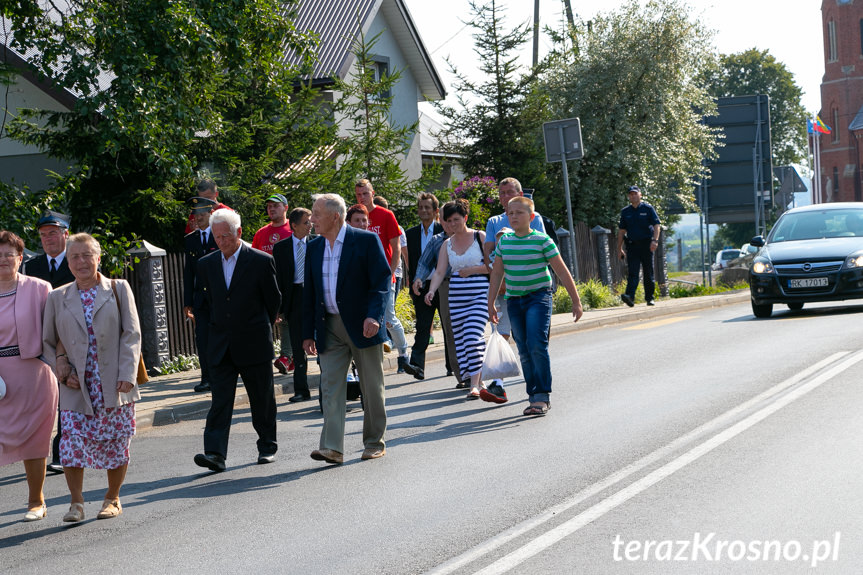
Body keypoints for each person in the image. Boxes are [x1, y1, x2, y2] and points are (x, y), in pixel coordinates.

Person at [43, 233, 143, 522]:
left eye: (87, 255)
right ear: (68, 261)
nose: (81, 262)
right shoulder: (57, 297)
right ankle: (76, 503)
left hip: (113, 382)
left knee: (116, 442)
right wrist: (59, 367)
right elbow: (46, 342)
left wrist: (127, 374)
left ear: (98, 258)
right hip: (76, 384)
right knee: (72, 443)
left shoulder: (118, 288)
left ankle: (113, 498)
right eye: (74, 256)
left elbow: (132, 334)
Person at [303, 194, 390, 465]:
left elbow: (381, 282)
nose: (311, 219)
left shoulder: (364, 240)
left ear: (334, 217)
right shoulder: (314, 247)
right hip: (329, 326)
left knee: (371, 387)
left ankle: (374, 442)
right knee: (330, 386)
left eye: (316, 214)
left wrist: (374, 316)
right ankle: (332, 447)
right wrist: (308, 332)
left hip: (363, 325)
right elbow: (309, 292)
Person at [193, 210, 281, 472]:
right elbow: (203, 303)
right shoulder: (206, 264)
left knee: (261, 399)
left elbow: (273, 300)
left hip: (254, 341)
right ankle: (215, 453)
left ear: (239, 233)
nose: (222, 241)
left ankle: (267, 446)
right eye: (217, 237)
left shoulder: (260, 261)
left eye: (226, 236)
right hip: (221, 344)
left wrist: (258, 324)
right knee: (220, 401)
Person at [488, 197, 583, 415]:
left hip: (538, 298)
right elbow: (497, 273)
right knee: (523, 348)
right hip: (513, 300)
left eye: (519, 213)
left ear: (531, 217)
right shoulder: (505, 242)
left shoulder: (542, 240)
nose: (513, 217)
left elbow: (561, 270)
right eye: (510, 213)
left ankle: (541, 396)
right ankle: (533, 396)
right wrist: (490, 302)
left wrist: (576, 301)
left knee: (537, 345)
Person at [0, 230, 59, 521]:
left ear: (20, 258)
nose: (3, 260)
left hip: (34, 374)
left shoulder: (40, 288)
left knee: (35, 441)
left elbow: (56, 332)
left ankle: (36, 501)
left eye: (9, 254)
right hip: (0, 377)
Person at [22, 210, 75, 475]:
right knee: (45, 399)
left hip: (73, 340)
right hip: (44, 343)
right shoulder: (32, 267)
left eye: (53, 233)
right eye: (43, 235)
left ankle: (62, 453)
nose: (48, 239)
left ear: (66, 234)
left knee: (67, 396)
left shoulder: (78, 260)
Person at [483, 178, 545, 394]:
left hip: (531, 287)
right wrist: (497, 280)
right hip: (504, 287)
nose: (505, 196)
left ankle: (538, 381)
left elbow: (541, 249)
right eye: (501, 193)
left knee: (529, 339)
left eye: (510, 192)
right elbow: (489, 252)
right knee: (501, 330)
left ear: (520, 194)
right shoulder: (494, 221)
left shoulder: (532, 218)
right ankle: (498, 382)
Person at [425, 199, 491, 399]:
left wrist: (472, 270)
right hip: (457, 298)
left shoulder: (480, 237)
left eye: (456, 220)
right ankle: (478, 379)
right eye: (449, 221)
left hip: (480, 295)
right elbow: (439, 272)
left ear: (465, 218)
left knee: (472, 337)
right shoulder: (447, 244)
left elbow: (494, 266)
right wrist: (431, 291)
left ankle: (474, 385)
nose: (453, 224)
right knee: (462, 342)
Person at [354, 179, 409, 369]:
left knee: (389, 318)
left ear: (372, 193)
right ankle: (371, 358)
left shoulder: (386, 215)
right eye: (358, 194)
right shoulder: (355, 216)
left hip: (384, 276)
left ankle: (403, 354)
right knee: (367, 318)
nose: (362, 197)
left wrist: (390, 274)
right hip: (362, 278)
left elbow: (396, 248)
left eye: (365, 194)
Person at [413, 220, 461, 386]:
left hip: (471, 287)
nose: (449, 224)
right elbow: (427, 264)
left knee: (468, 331)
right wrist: (419, 278)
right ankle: (461, 374)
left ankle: (473, 372)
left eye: (453, 219)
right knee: (449, 329)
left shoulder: (475, 237)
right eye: (445, 220)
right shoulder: (438, 241)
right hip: (444, 286)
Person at [251, 193, 294, 374]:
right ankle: (263, 356)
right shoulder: (262, 233)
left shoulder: (293, 228)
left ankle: (287, 357)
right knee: (264, 321)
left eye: (275, 206)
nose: (271, 209)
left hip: (289, 284)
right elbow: (252, 258)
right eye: (269, 206)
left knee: (287, 321)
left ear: (285, 208)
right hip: (266, 284)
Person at [272, 207, 312, 403]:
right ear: (294, 225)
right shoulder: (281, 248)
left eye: (310, 221)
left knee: (323, 346)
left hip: (314, 296)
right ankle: (301, 390)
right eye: (306, 222)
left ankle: (328, 388)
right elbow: (277, 279)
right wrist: (279, 309)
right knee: (297, 347)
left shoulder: (317, 244)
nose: (310, 225)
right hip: (294, 298)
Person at [404, 193, 444, 380]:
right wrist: (412, 282)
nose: (423, 210)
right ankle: (417, 365)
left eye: (427, 207)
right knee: (422, 326)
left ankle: (453, 367)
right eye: (421, 207)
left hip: (443, 284)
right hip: (421, 286)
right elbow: (410, 261)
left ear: (436, 211)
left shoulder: (443, 231)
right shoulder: (410, 234)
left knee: (448, 326)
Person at [183, 197, 220, 393]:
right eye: (195, 215)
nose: (198, 219)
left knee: (221, 336)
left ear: (210, 215)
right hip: (201, 299)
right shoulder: (191, 240)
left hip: (220, 297)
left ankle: (222, 374)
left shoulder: (219, 235)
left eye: (202, 215)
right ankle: (206, 377)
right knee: (202, 338)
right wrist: (187, 302)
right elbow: (189, 272)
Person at [617, 185, 661, 307]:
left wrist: (655, 240)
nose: (633, 196)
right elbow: (621, 231)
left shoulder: (648, 209)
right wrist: (619, 248)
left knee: (648, 272)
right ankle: (630, 297)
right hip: (632, 246)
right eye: (631, 194)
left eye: (635, 193)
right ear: (628, 196)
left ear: (640, 195)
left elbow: (657, 225)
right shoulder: (625, 212)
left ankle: (650, 298)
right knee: (633, 272)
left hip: (647, 245)